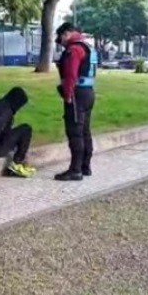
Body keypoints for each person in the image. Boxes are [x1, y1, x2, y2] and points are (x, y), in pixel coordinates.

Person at [54, 22, 98, 181]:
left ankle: (75, 170)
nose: (62, 42)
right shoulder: (87, 46)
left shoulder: (74, 49)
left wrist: (67, 95)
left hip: (76, 94)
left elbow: (71, 74)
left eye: (61, 38)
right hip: (88, 91)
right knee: (85, 130)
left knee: (75, 132)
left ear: (66, 33)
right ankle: (85, 166)